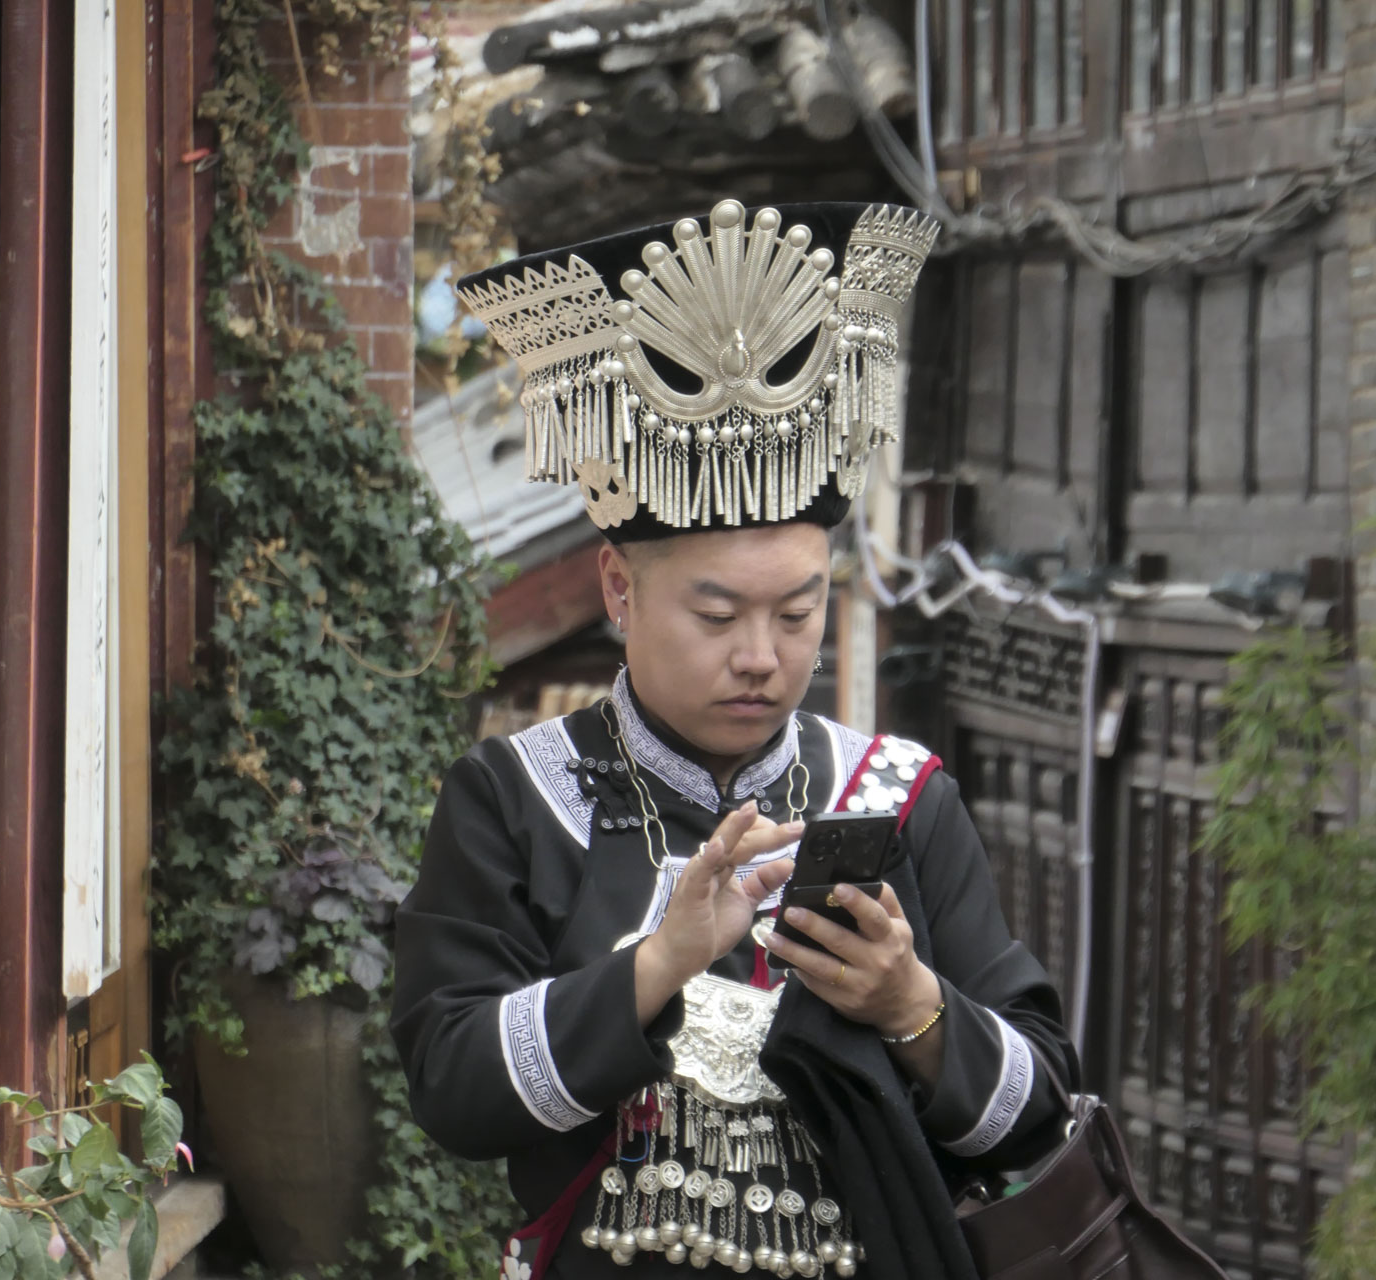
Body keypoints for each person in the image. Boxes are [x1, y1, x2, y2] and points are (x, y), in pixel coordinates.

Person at [392, 200, 1079, 1280]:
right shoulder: (515, 797)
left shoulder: (897, 798)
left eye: (798, 614)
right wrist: (659, 961)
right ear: (619, 587)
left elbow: (1040, 1109)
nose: (761, 654)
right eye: (717, 616)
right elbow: (452, 1086)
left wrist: (915, 1008)